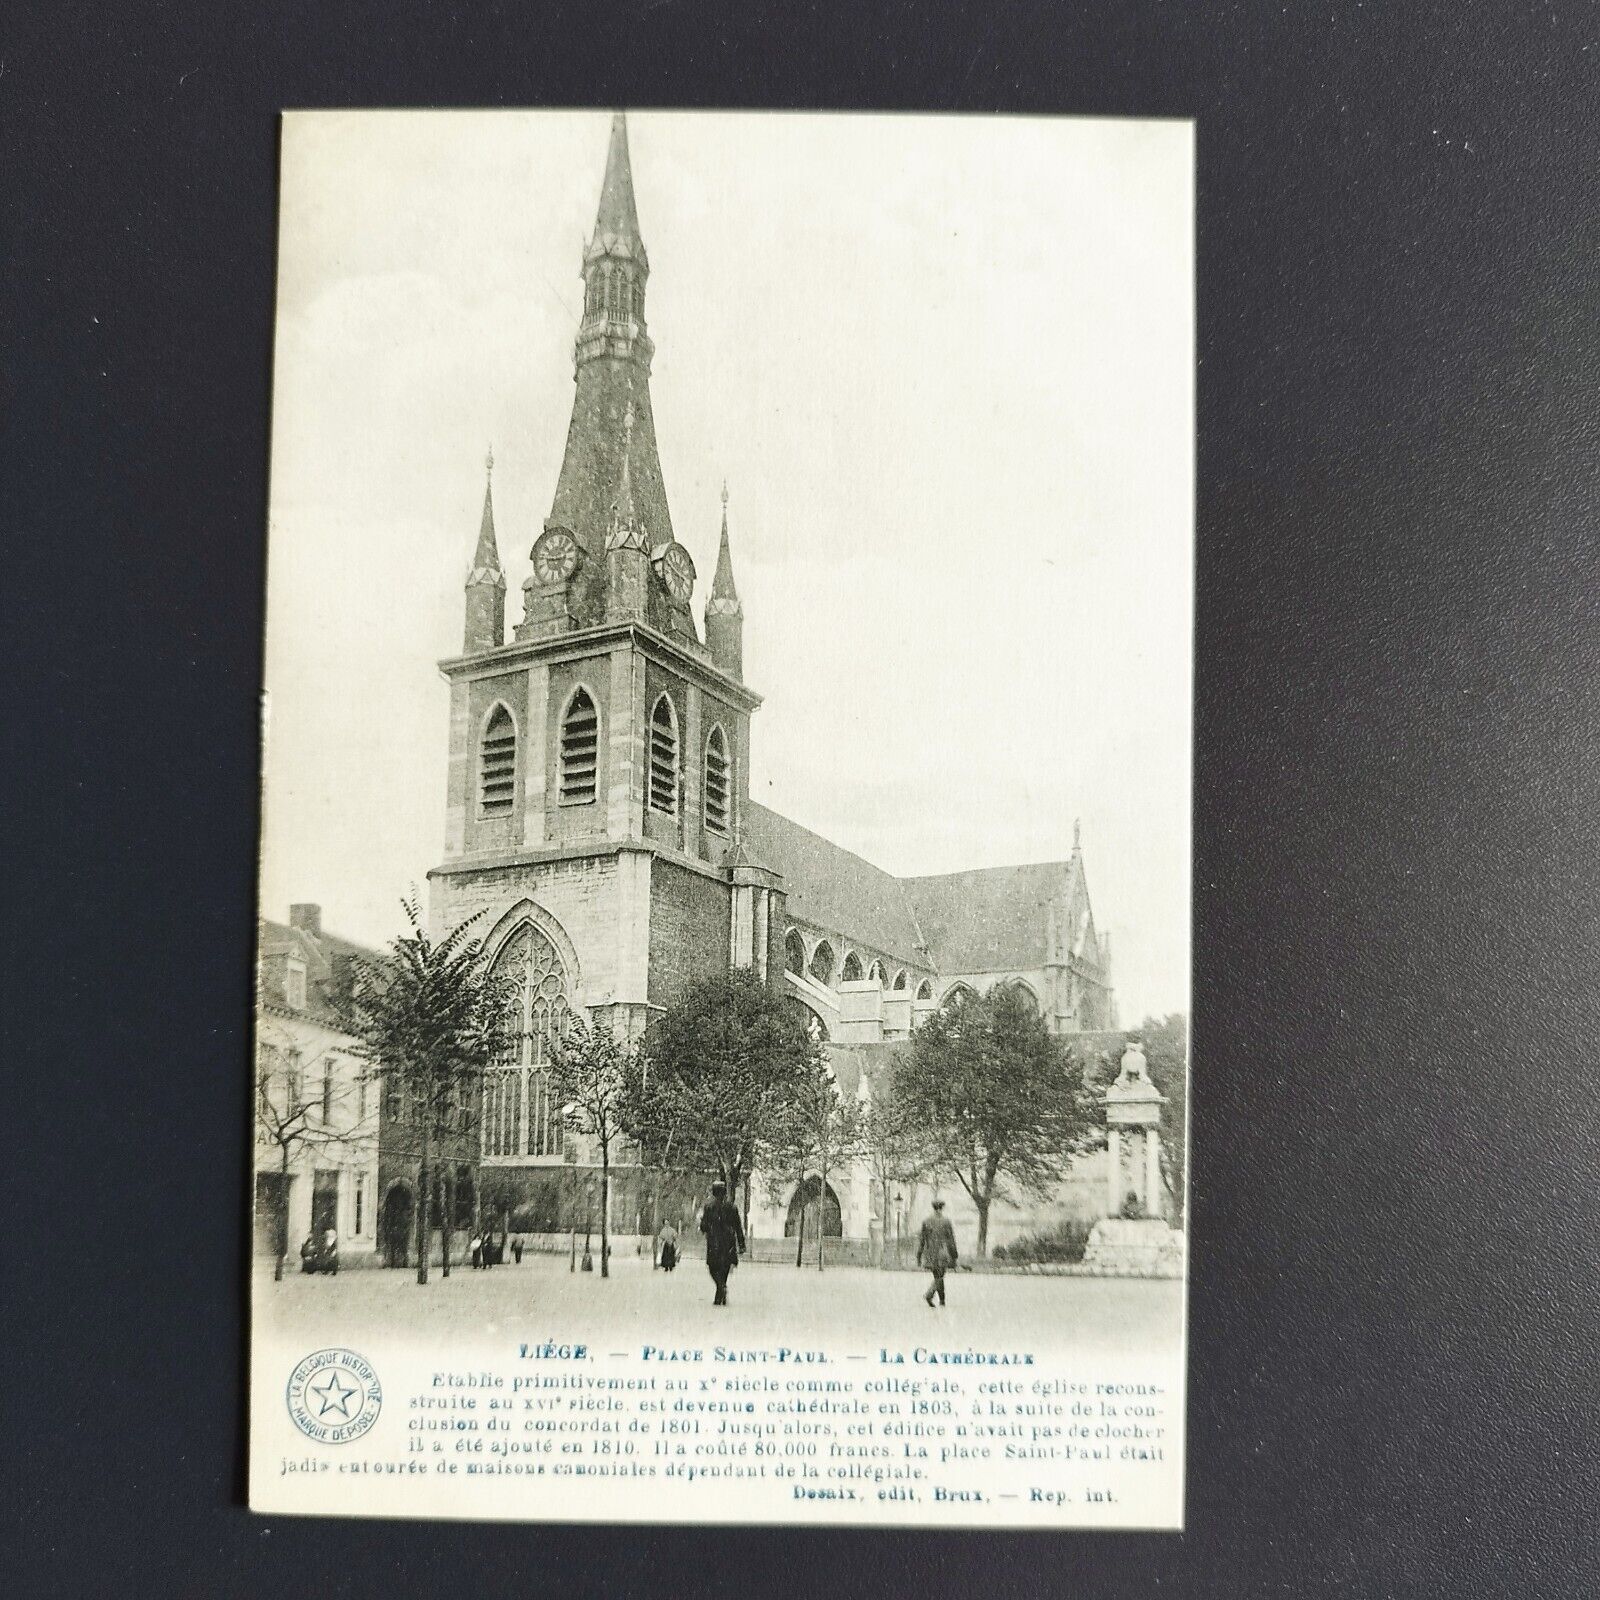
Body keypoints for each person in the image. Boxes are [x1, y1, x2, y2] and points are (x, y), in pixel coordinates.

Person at [699, 1182, 745, 1306]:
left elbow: (704, 1226)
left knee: (713, 1268)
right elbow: (738, 1227)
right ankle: (721, 1290)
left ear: (714, 1192)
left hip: (714, 1242)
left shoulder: (709, 1207)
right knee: (724, 1267)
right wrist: (741, 1244)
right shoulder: (732, 1207)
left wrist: (703, 1225)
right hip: (728, 1243)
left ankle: (721, 1288)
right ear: (724, 1192)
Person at [917, 1198, 958, 1307]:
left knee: (937, 1276)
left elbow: (922, 1240)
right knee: (940, 1276)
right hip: (942, 1253)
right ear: (942, 1208)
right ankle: (929, 1294)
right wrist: (954, 1255)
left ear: (934, 1208)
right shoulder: (946, 1222)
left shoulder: (926, 1221)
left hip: (930, 1253)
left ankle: (942, 1301)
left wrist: (919, 1255)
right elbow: (951, 1240)